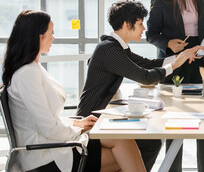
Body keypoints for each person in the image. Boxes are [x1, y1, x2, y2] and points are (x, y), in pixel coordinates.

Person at [3, 10, 146, 172]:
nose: (53, 38)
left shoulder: (33, 69)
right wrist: (78, 129)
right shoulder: (27, 75)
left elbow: (47, 119)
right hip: (45, 156)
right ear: (38, 37)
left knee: (123, 141)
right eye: (51, 33)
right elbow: (48, 127)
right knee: (123, 155)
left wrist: (76, 123)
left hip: (52, 144)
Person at [76, 0, 203, 171]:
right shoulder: (110, 50)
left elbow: (149, 64)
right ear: (126, 24)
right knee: (148, 141)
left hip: (99, 117)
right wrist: (174, 65)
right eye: (140, 23)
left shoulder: (117, 48)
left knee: (150, 141)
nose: (144, 29)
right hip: (91, 123)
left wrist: (180, 57)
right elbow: (146, 77)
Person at [146, 0, 204, 171]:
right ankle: (173, 169)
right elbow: (151, 34)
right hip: (175, 60)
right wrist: (168, 43)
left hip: (200, 58)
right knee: (175, 117)